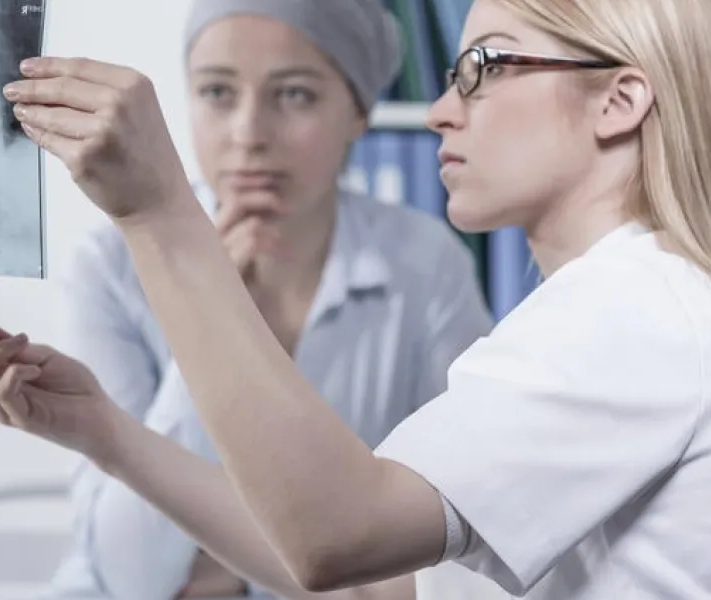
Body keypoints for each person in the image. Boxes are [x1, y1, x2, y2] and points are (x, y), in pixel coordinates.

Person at [0, 0, 711, 597]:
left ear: (619, 101)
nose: (444, 109)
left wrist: (159, 214)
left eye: (484, 67)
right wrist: (105, 433)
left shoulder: (637, 311)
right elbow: (381, 586)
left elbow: (336, 536)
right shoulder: (620, 305)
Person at [40, 1, 495, 598]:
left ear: (359, 111)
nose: (249, 135)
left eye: (295, 96)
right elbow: (130, 577)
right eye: (217, 93)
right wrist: (208, 316)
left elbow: (457, 541)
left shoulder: (425, 265)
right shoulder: (109, 266)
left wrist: (227, 573)